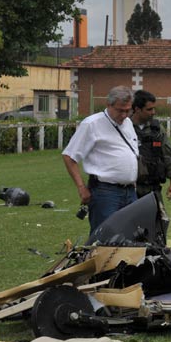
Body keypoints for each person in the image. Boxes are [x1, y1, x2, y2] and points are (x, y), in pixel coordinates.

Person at [63, 85, 139, 232]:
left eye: (128, 110)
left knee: (131, 235)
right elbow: (69, 156)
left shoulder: (128, 123)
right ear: (108, 105)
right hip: (105, 192)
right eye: (120, 110)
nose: (124, 115)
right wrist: (81, 188)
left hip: (130, 191)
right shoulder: (91, 124)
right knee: (105, 236)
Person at [131, 90, 171, 202]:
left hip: (153, 188)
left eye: (154, 108)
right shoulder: (125, 128)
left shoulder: (157, 129)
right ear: (137, 109)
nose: (153, 112)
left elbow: (168, 156)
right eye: (149, 109)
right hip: (130, 189)